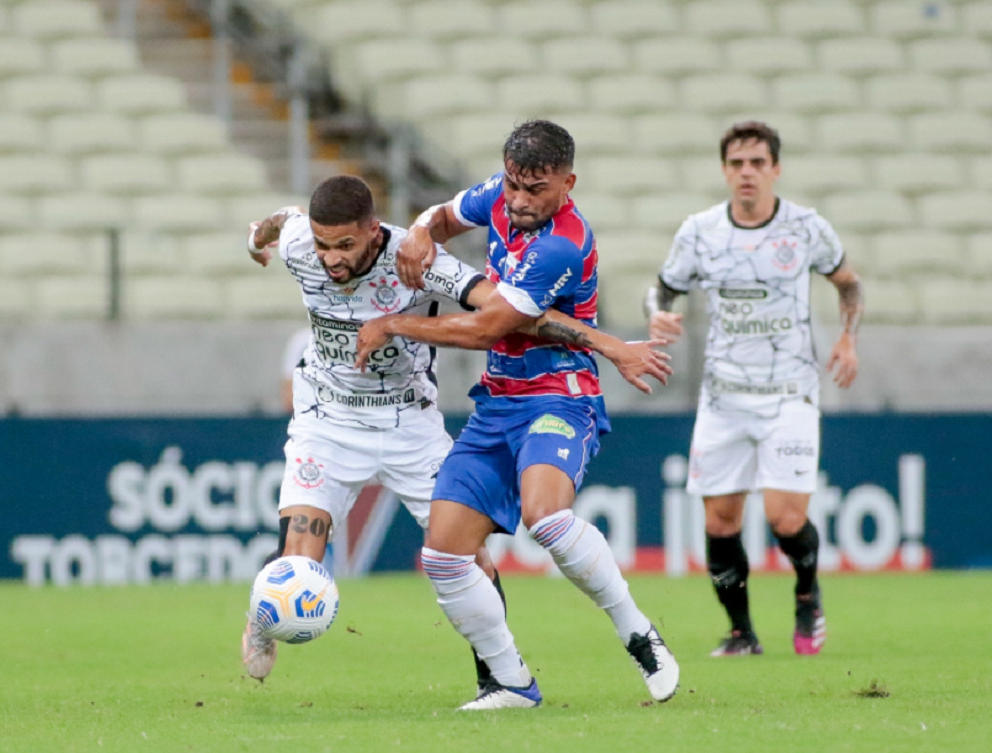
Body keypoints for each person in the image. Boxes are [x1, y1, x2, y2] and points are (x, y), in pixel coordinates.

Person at [241, 174, 660, 690]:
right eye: (324, 246)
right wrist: (257, 240)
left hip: (410, 424)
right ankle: (264, 617)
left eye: (345, 245)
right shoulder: (302, 244)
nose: (331, 258)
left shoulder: (418, 262)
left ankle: (496, 681)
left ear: (374, 231)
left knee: (469, 556)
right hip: (328, 420)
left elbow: (510, 314)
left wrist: (608, 344)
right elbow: (278, 224)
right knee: (299, 559)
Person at [354, 120, 680, 710]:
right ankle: (511, 683)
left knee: (546, 518)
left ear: (567, 183)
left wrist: (392, 322)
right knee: (443, 556)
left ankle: (638, 634)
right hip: (498, 401)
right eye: (514, 186)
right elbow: (447, 214)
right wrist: (424, 232)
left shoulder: (563, 242)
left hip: (561, 397)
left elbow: (487, 326)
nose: (522, 201)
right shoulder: (500, 198)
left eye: (537, 190)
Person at [643, 121, 863, 657]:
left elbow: (848, 283)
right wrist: (657, 317)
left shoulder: (806, 228)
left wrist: (848, 339)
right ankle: (742, 633)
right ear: (724, 170)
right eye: (737, 163)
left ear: (775, 169)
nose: (747, 173)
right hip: (723, 396)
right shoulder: (699, 231)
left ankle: (807, 592)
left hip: (789, 390)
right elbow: (663, 290)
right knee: (720, 521)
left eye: (757, 163)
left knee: (785, 517)